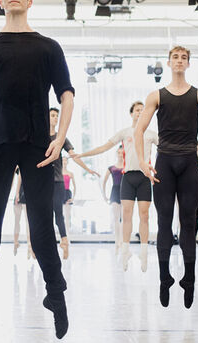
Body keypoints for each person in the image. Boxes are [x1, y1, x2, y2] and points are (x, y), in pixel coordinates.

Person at [0, 0, 74, 339]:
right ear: (0, 0)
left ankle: (55, 294)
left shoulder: (48, 47)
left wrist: (59, 139)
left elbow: (67, 94)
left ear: (29, 0)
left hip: (38, 146)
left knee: (41, 230)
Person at [134, 46, 198, 309]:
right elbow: (139, 130)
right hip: (164, 161)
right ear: (168, 62)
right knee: (164, 222)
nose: (179, 61)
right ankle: (164, 278)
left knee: (188, 222)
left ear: (188, 63)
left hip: (189, 163)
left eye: (183, 57)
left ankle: (190, 279)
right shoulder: (156, 96)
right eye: (175, 57)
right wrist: (142, 161)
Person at [74, 101, 158, 272]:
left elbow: (169, 149)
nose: (140, 113)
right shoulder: (125, 132)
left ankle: (143, 251)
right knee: (126, 216)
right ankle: (125, 250)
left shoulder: (151, 134)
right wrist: (82, 154)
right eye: (136, 110)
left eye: (143, 111)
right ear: (131, 113)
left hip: (144, 178)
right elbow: (104, 147)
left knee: (144, 216)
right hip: (128, 177)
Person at [49, 107, 99, 260]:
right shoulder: (39, 136)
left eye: (57, 116)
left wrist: (87, 169)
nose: (55, 118)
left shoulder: (61, 138)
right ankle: (45, 247)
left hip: (57, 182)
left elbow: (74, 156)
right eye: (52, 115)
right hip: (42, 183)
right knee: (44, 216)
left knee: (58, 214)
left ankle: (64, 242)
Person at [102, 147, 124, 255]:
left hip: (125, 192)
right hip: (115, 192)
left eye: (122, 153)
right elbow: (104, 181)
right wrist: (104, 195)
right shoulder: (111, 168)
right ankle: (117, 240)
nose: (120, 155)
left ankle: (124, 240)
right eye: (118, 153)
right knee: (116, 218)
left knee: (124, 218)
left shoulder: (127, 166)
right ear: (116, 154)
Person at [13, 167, 33, 258]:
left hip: (24, 193)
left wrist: (17, 194)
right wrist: (17, 194)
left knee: (26, 220)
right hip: (21, 193)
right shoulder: (18, 167)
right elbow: (18, 178)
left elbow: (20, 177)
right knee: (19, 220)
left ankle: (29, 244)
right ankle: (16, 242)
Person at [61, 157, 76, 239]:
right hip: (59, 193)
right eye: (63, 160)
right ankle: (62, 236)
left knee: (67, 216)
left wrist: (73, 198)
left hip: (67, 193)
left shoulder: (70, 173)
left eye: (66, 160)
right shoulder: (57, 173)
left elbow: (74, 186)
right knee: (60, 215)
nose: (64, 162)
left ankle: (67, 236)